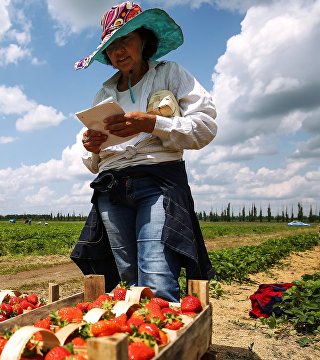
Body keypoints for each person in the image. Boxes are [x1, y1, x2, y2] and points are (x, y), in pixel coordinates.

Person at [71, 1, 216, 302]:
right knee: (128, 280)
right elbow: (89, 159)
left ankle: (169, 341)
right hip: (111, 187)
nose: (119, 51)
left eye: (126, 40)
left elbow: (205, 127)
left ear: (144, 40)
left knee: (157, 280)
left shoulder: (169, 75)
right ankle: (143, 338)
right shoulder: (105, 93)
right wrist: (90, 146)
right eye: (111, 47)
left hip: (156, 181)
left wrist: (152, 124)